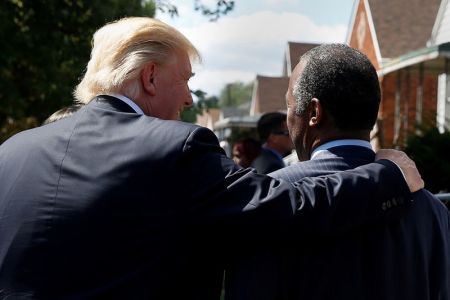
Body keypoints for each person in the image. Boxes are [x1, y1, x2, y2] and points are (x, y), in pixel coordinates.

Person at [0, 18, 422, 300]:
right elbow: (286, 208)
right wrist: (389, 177)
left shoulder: (12, 152)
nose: (188, 97)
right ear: (149, 76)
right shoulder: (174, 148)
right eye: (185, 80)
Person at [225, 44, 450, 300]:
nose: (288, 121)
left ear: (313, 112)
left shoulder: (271, 199)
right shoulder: (432, 209)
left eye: (289, 106)